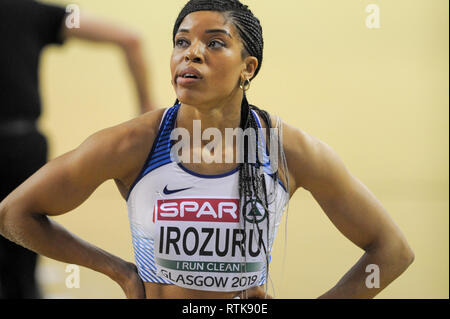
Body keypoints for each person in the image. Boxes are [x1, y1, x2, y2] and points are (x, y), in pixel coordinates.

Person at [0, 0, 414, 299]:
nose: (191, 53)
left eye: (214, 43)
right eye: (181, 42)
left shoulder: (285, 147)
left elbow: (392, 251)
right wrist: (120, 272)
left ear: (247, 67)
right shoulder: (134, 143)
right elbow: (13, 214)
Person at [0, 0, 155, 298]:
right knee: (20, 274)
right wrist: (146, 114)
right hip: (19, 145)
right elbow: (129, 38)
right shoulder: (32, 11)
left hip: (20, 149)